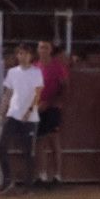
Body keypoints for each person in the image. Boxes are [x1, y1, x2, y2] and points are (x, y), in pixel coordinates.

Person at [0, 41, 42, 194]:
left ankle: (28, 186)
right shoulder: (12, 72)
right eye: (20, 53)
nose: (22, 56)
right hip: (14, 113)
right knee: (1, 145)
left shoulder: (36, 72)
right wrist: (2, 111)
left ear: (31, 56)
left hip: (29, 117)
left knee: (28, 151)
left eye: (26, 54)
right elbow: (8, 93)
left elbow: (37, 94)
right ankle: (8, 180)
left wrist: (29, 111)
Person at [34, 40, 69, 185]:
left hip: (53, 106)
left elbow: (64, 87)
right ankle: (42, 175)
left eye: (46, 48)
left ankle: (57, 175)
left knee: (53, 140)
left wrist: (49, 102)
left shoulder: (58, 67)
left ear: (50, 50)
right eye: (41, 47)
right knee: (40, 141)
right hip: (39, 106)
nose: (43, 50)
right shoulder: (35, 67)